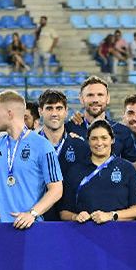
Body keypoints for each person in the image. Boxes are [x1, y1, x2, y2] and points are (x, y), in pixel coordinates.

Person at [0, 90, 63, 228]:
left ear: (10, 113)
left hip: (31, 227)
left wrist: (32, 213)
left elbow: (56, 189)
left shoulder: (42, 145)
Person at [57, 120, 136, 224]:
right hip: (84, 234)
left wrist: (111, 215)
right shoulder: (75, 170)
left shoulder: (127, 169)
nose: (99, 143)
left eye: (104, 138)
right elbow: (63, 212)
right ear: (88, 141)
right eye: (94, 139)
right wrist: (76, 216)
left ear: (112, 140)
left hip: (119, 234)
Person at [36, 89, 90, 219]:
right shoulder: (29, 146)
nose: (54, 113)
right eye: (49, 108)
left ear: (66, 112)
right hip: (38, 216)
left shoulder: (80, 146)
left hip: (72, 218)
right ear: (40, 111)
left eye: (59, 108)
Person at [66, 76, 136, 163]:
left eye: (100, 95)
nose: (95, 100)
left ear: (108, 98)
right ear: (81, 99)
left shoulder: (123, 131)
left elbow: (133, 165)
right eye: (90, 95)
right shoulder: (68, 129)